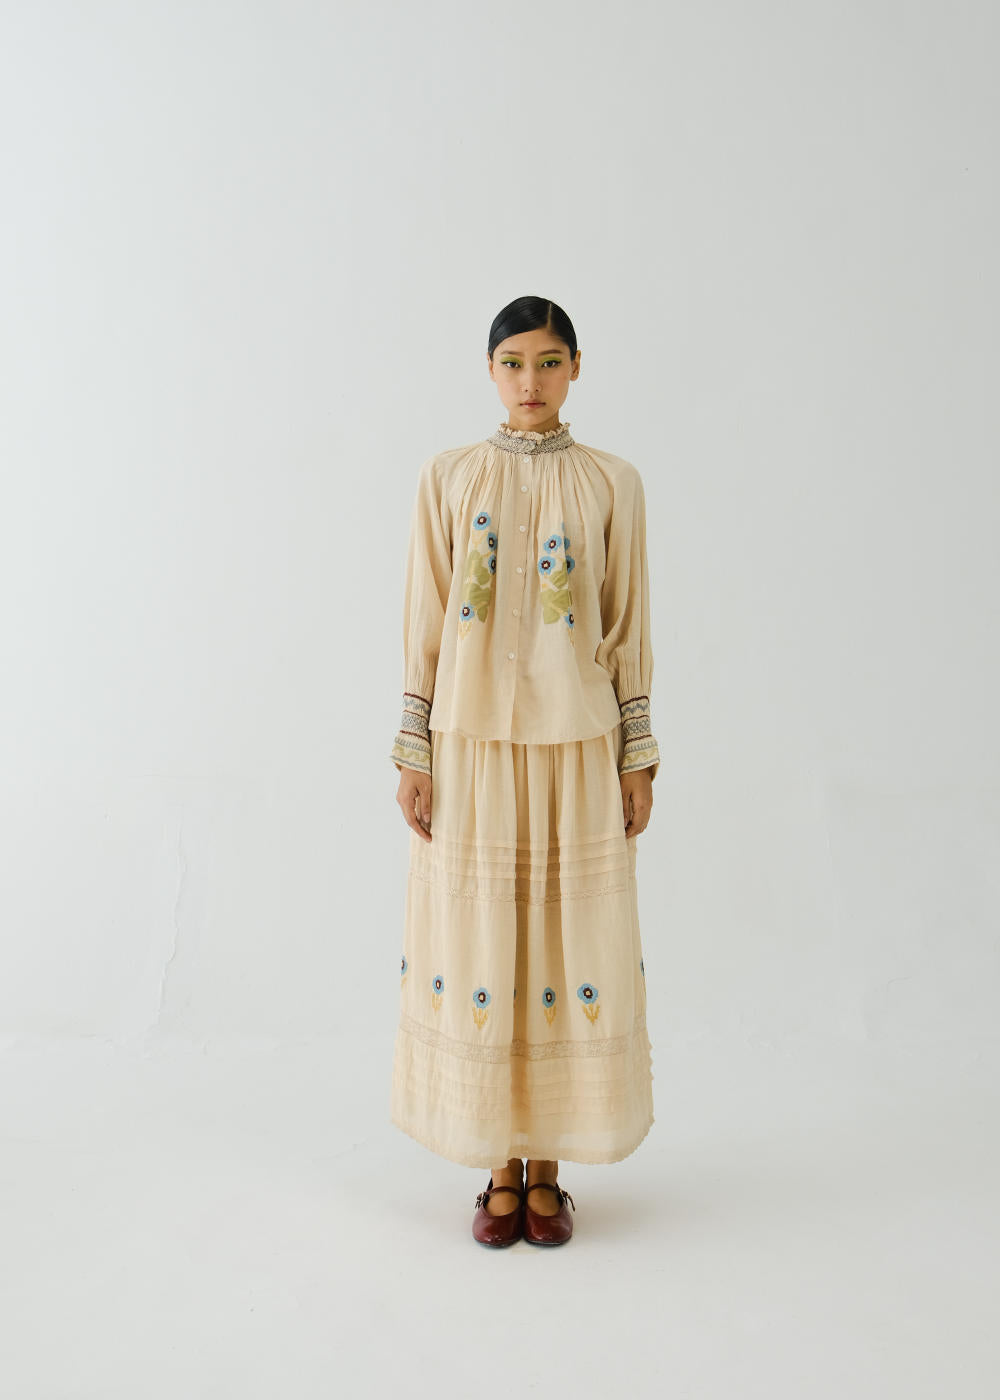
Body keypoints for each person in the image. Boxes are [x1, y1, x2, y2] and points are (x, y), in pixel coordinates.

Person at [389, 295, 661, 1248]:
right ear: (490, 371)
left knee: (564, 939)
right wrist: (415, 747)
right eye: (512, 363)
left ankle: (548, 1170)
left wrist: (637, 756)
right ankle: (497, 1167)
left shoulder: (612, 483)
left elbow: (626, 620)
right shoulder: (449, 477)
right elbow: (428, 614)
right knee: (485, 940)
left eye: (549, 362)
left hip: (578, 744)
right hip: (471, 744)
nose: (530, 381)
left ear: (576, 368)